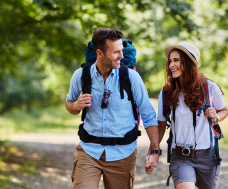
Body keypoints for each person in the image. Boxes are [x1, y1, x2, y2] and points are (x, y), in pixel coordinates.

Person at [65, 28, 161, 189]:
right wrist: (76, 105)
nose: (121, 56)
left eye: (122, 51)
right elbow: (69, 104)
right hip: (89, 151)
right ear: (99, 53)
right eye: (115, 52)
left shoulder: (131, 78)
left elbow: (148, 115)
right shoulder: (81, 75)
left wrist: (155, 151)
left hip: (123, 154)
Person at [148, 42, 228, 189]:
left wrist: (216, 116)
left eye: (176, 60)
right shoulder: (167, 92)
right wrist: (153, 152)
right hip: (180, 156)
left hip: (208, 155)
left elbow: (224, 110)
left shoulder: (209, 87)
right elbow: (160, 124)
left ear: (189, 63)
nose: (171, 64)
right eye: (170, 61)